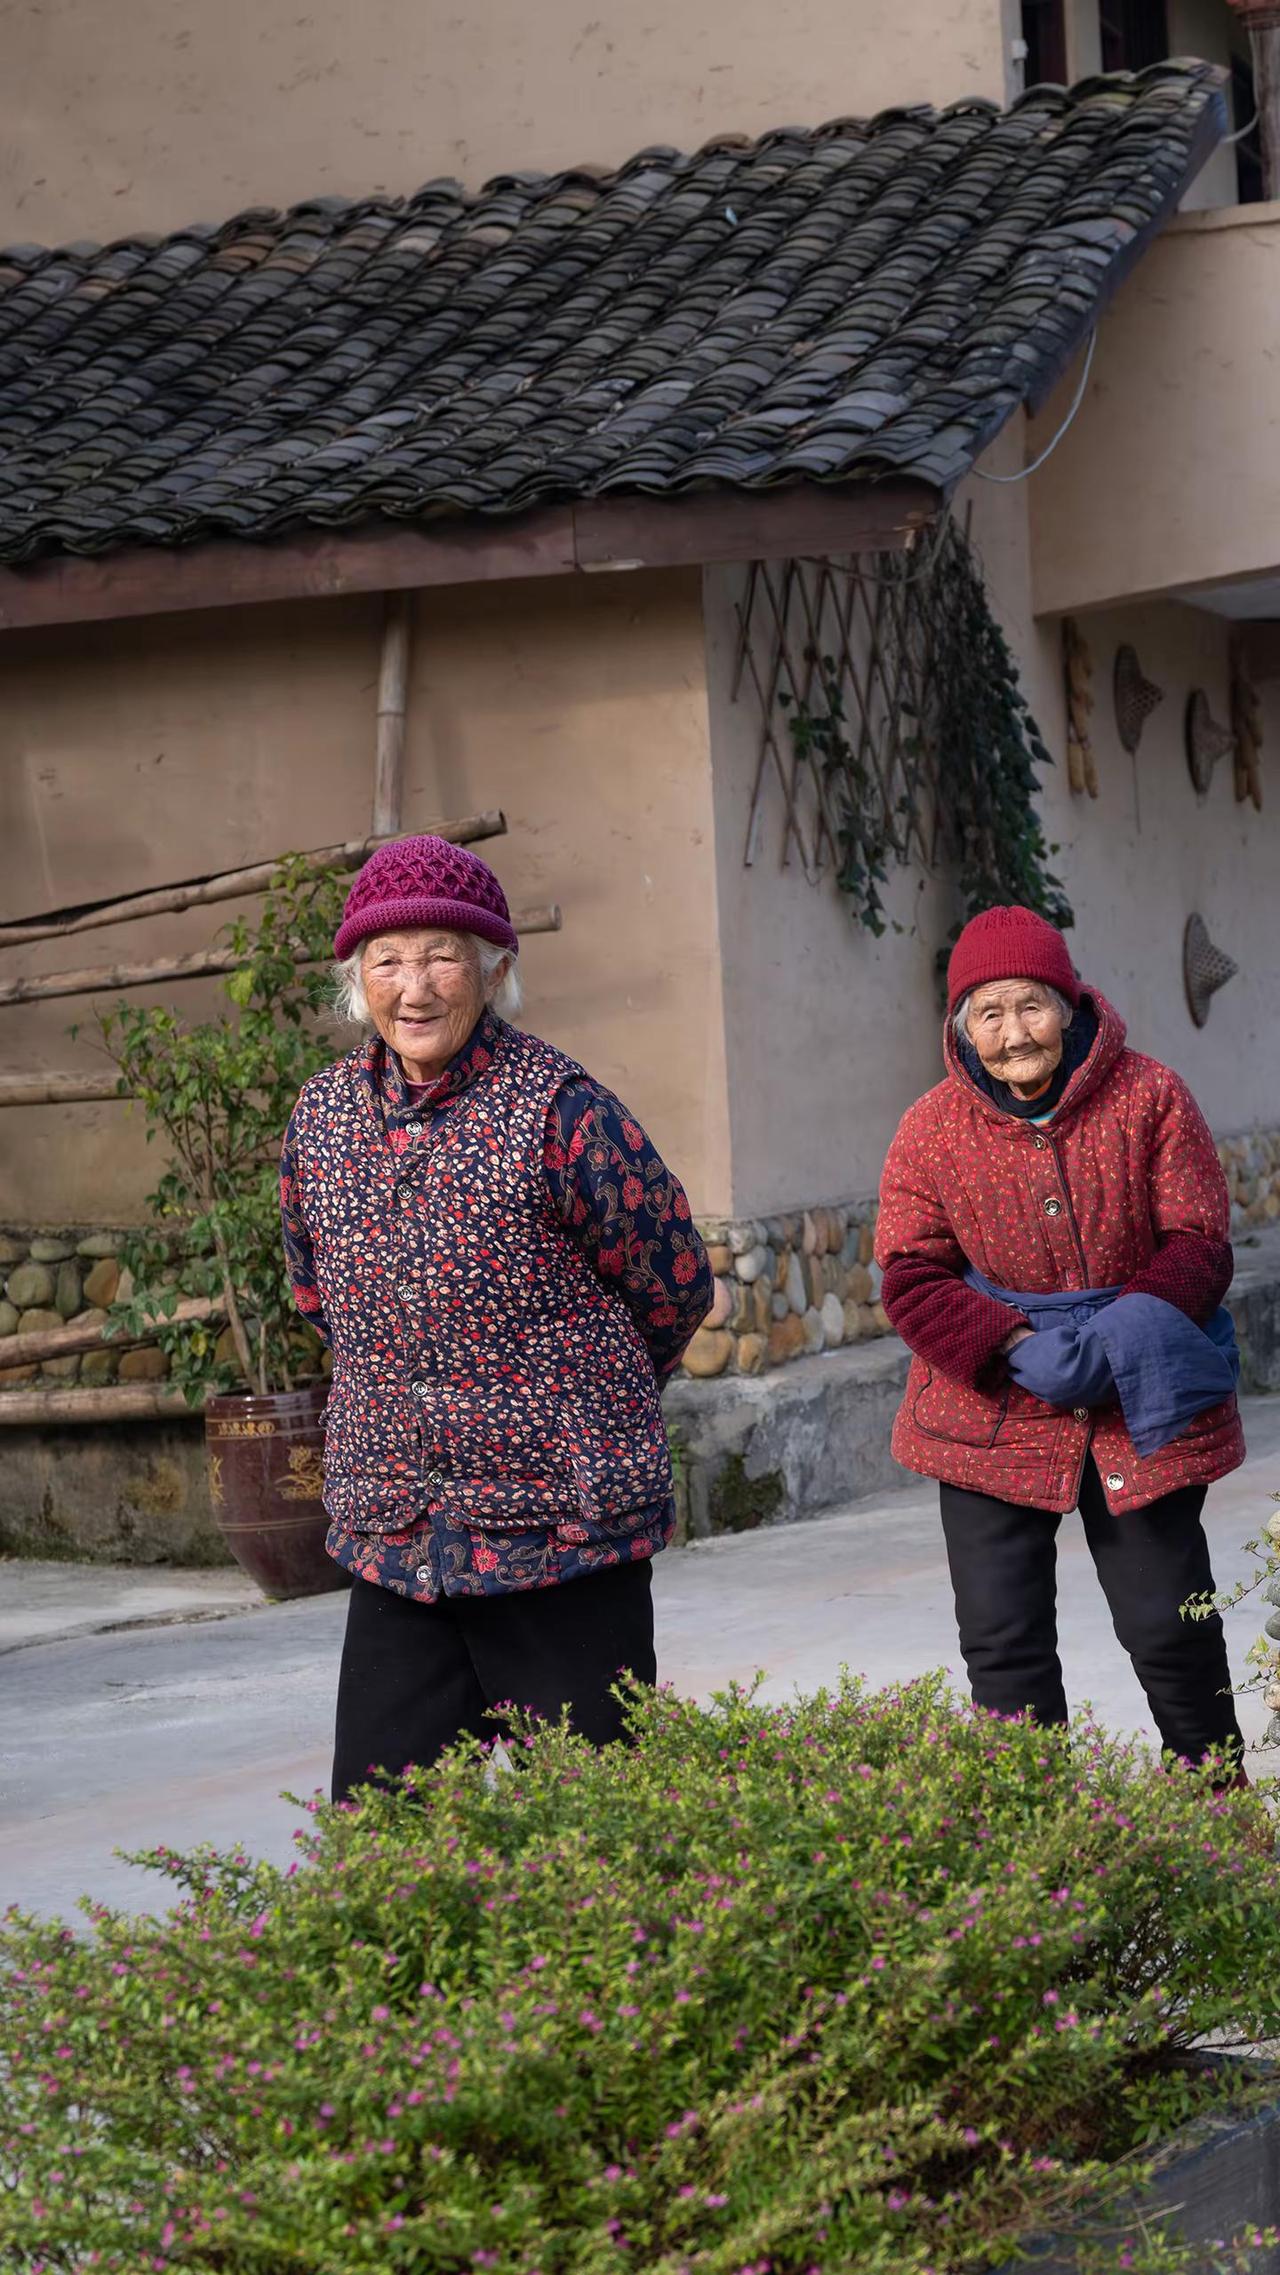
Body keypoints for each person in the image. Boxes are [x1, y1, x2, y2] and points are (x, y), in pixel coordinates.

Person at [279, 834, 713, 1799]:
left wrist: (575, 1398)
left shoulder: (564, 1111)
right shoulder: (323, 1118)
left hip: (561, 1534)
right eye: (386, 960)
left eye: (441, 955)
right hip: (400, 1530)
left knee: (596, 1831)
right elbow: (317, 1292)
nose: (414, 986)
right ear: (357, 980)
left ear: (493, 968)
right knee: (386, 1832)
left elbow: (675, 1282)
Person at [876, 903, 1246, 1779]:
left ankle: (1223, 1821)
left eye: (1030, 1005)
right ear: (962, 1027)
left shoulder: (1151, 1095)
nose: (1013, 1034)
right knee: (1002, 1645)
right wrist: (1010, 1343)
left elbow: (1199, 1242)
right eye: (989, 1013)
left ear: (1069, 1002)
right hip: (992, 1409)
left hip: (1138, 1392)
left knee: (1171, 1626)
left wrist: (1114, 1340)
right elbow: (909, 1272)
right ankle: (1031, 1841)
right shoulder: (931, 1127)